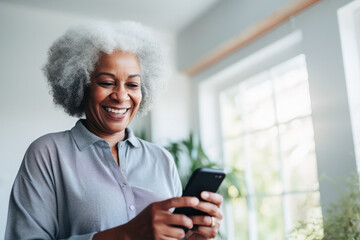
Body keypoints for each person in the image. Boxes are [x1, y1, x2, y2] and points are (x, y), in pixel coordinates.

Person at [5, 21, 223, 240]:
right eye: (107, 82)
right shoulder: (48, 153)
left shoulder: (162, 160)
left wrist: (191, 236)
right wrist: (127, 235)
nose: (121, 96)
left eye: (132, 85)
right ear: (82, 85)